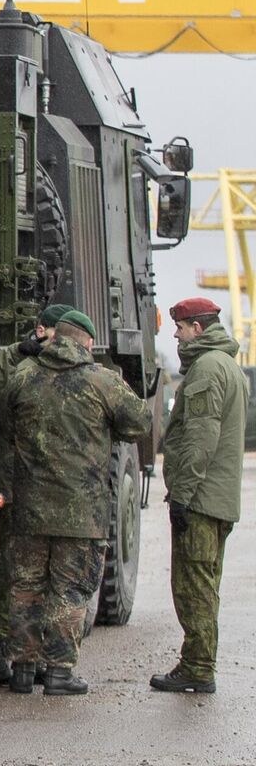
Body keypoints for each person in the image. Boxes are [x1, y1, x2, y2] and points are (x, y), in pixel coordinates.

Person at [0, 308, 148, 695]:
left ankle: (22, 671)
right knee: (70, 591)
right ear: (87, 342)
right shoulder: (101, 381)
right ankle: (58, 672)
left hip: (29, 510)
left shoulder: (23, 377)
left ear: (54, 339)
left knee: (26, 589)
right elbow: (139, 422)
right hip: (81, 512)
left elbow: (4, 421)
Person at [0, 302, 73, 687]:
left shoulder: (74, 367)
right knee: (15, 570)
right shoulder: (20, 361)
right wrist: (14, 352)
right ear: (40, 330)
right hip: (19, 481)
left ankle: (36, 656)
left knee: (49, 574)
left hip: (53, 484)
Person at [151, 296, 245, 694]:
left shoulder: (207, 368)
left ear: (198, 330)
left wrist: (183, 495)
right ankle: (197, 663)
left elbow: (201, 438)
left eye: (182, 327)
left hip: (202, 499)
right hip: (217, 497)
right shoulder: (227, 365)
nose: (176, 334)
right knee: (204, 583)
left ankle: (198, 668)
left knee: (194, 587)